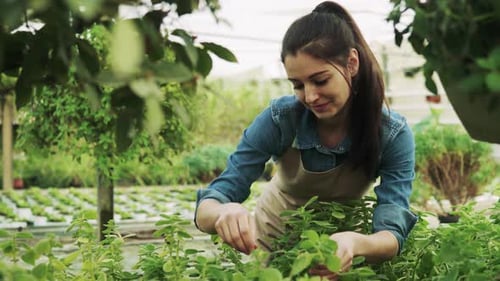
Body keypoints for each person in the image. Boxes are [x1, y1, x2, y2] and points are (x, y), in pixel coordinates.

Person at [194, 1, 417, 278]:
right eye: (298, 85)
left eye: (320, 80)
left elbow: (392, 236)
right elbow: (209, 205)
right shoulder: (280, 119)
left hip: (337, 253)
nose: (310, 96)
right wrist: (223, 212)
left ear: (351, 63)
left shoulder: (392, 134)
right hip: (268, 244)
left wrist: (355, 243)